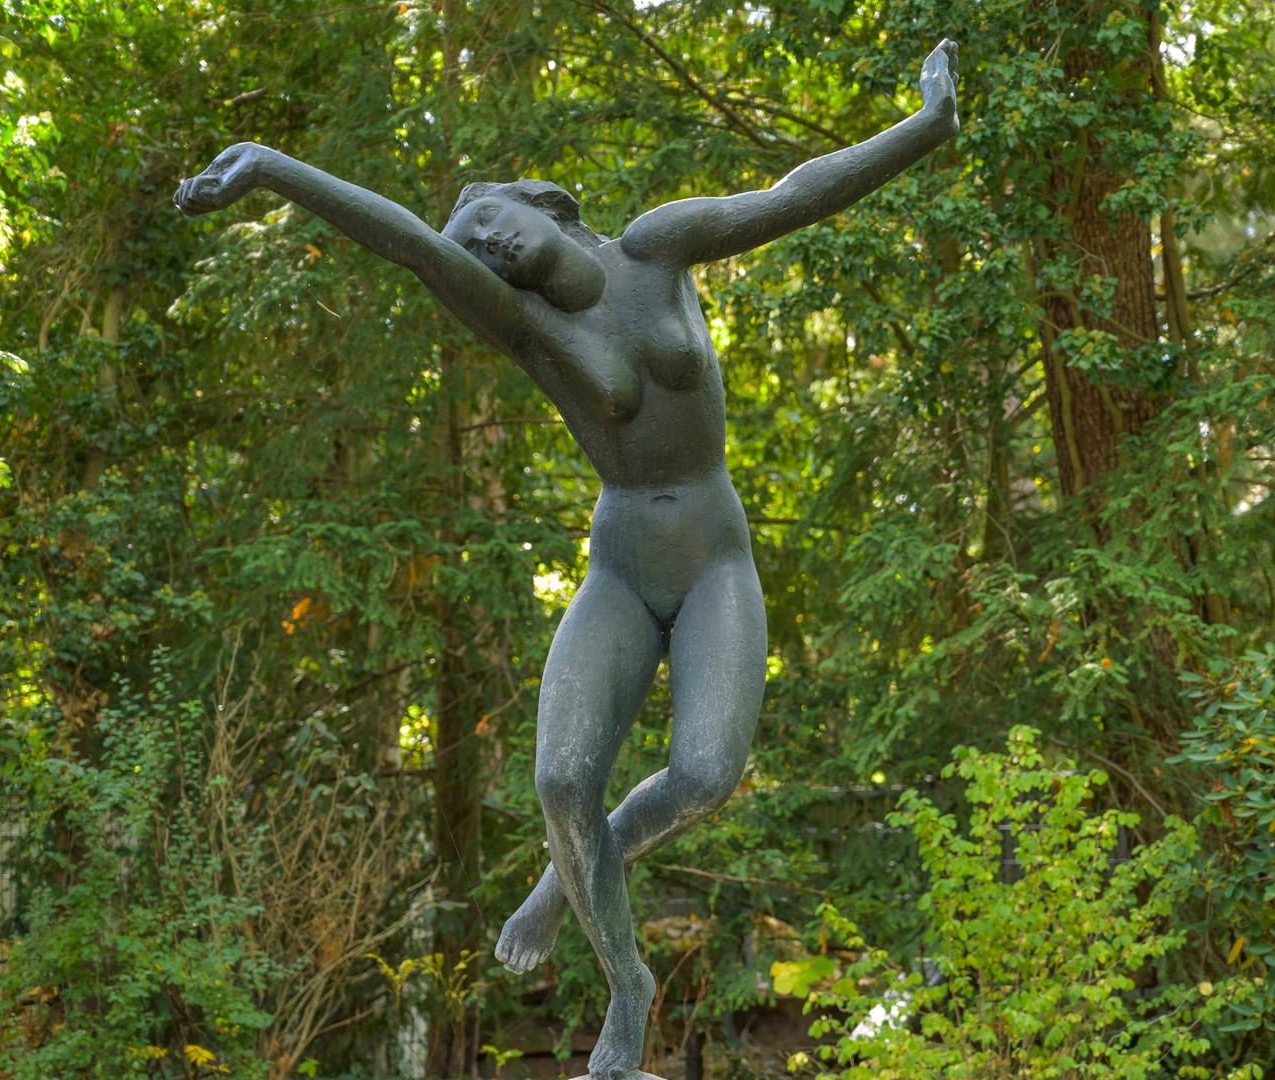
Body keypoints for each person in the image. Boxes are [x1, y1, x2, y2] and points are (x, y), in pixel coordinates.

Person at [175, 39, 958, 1078]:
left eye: (491, 221)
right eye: (480, 252)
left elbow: (796, 193)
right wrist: (274, 167)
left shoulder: (656, 246)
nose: (487, 247)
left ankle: (564, 881)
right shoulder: (532, 331)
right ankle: (626, 988)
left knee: (705, 775)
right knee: (559, 777)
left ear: (544, 205)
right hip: (622, 565)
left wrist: (925, 126)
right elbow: (413, 245)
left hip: (713, 558)